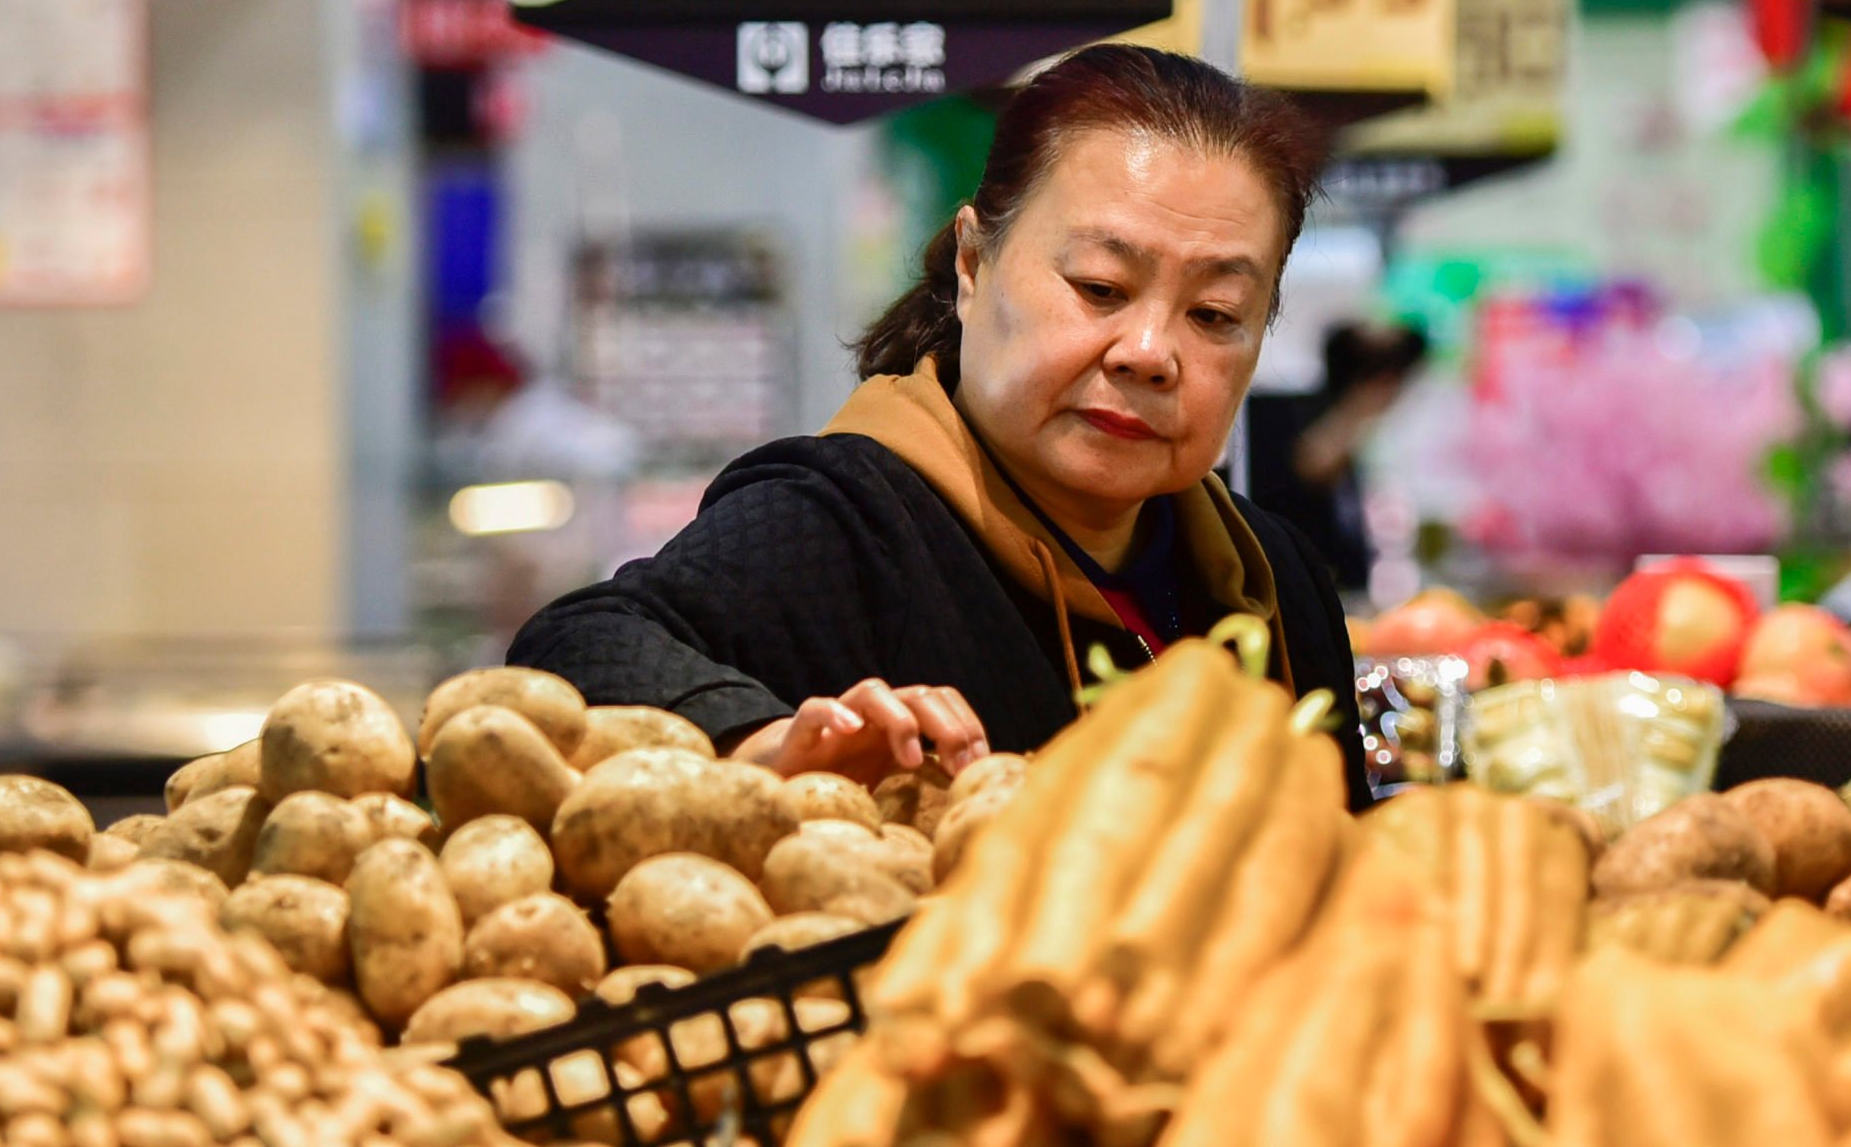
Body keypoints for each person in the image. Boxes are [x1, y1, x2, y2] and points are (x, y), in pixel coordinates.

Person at [509, 45, 1370, 800]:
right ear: (972, 262)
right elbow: (572, 651)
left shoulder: (1274, 576)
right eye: (1101, 288)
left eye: (1215, 314)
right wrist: (758, 744)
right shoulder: (842, 523)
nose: (1149, 351)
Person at [1240, 320, 1427, 594]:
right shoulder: (1305, 413)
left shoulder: (1371, 424)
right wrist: (1363, 402)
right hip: (1305, 581)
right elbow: (1312, 463)